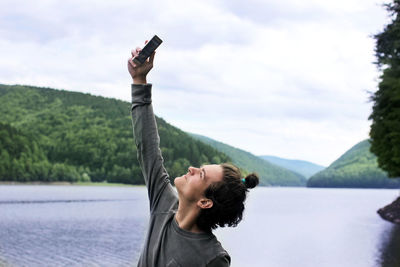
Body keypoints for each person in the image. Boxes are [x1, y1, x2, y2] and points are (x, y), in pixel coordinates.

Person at [128, 42, 259, 267]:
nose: (192, 168)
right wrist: (139, 80)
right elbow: (147, 148)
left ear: (205, 201)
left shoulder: (212, 258)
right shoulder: (164, 203)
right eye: (201, 168)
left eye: (201, 175)